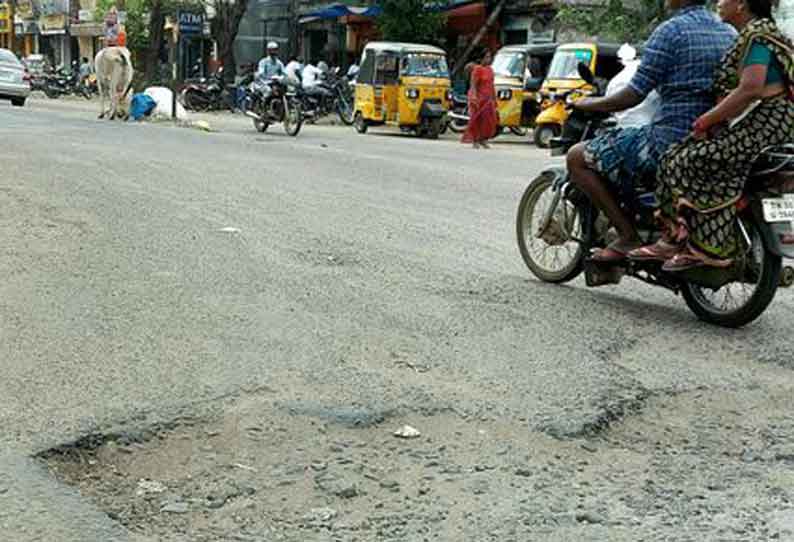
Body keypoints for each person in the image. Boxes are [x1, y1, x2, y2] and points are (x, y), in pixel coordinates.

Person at [567, 0, 736, 262]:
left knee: (577, 157)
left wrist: (590, 103)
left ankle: (627, 236)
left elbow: (633, 94)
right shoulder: (729, 32)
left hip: (669, 140)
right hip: (716, 138)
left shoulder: (671, 31)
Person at [631, 0, 794, 270]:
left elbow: (750, 89)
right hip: (770, 123)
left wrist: (708, 119)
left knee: (681, 159)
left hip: (765, 124)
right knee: (684, 153)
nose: (718, 3)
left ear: (741, 4)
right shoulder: (760, 34)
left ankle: (687, 242)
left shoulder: (758, 37)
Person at [605, 44, 661, 129]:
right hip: (653, 128)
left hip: (626, 130)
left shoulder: (615, 81)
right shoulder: (656, 77)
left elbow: (610, 107)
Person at [462, 50, 499, 149]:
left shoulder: (490, 70)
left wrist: (494, 99)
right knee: (477, 120)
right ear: (482, 58)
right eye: (487, 57)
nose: (489, 59)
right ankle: (475, 140)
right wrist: (474, 97)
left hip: (488, 99)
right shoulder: (477, 69)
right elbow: (473, 84)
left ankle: (484, 139)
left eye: (490, 57)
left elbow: (491, 85)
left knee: (489, 120)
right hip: (478, 98)